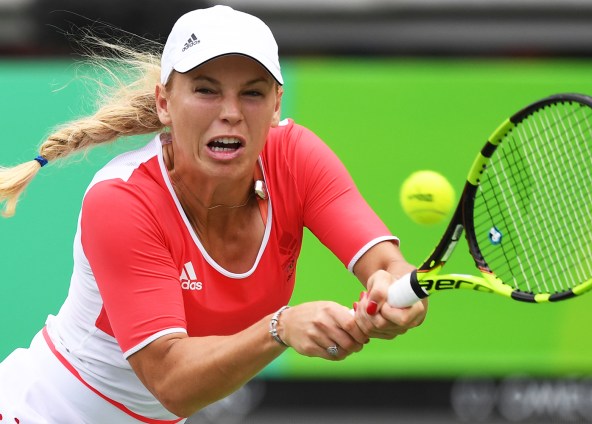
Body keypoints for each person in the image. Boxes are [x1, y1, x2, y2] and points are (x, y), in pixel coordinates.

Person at [0, 5, 427, 423]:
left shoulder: (296, 158)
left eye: (252, 93)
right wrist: (281, 327)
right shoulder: (123, 200)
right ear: (164, 102)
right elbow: (172, 381)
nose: (231, 112)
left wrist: (396, 295)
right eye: (206, 90)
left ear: (277, 104)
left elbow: (387, 265)